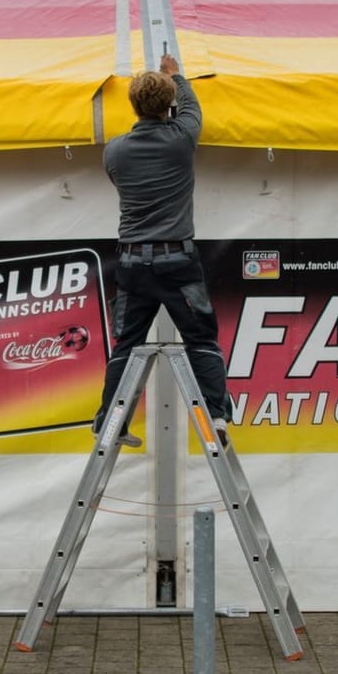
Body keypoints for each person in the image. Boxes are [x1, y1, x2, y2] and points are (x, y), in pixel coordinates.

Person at [94, 53, 232, 447]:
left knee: (127, 342)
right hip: (178, 262)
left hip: (133, 261)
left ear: (133, 105)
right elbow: (191, 108)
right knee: (201, 340)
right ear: (167, 105)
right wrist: (177, 76)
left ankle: (111, 421)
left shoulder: (115, 151)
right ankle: (216, 419)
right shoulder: (181, 138)